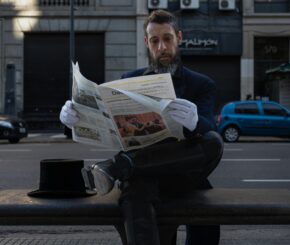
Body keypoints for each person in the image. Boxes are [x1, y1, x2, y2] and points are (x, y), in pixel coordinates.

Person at [60, 10, 223, 245]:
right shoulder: (129, 80)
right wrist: (72, 119)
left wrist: (195, 122)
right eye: (155, 41)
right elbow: (104, 125)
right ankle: (126, 166)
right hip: (144, 178)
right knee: (136, 192)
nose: (162, 47)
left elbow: (208, 127)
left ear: (179, 38)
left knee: (214, 142)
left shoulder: (202, 84)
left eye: (167, 38)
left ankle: (120, 166)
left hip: (183, 175)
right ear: (147, 43)